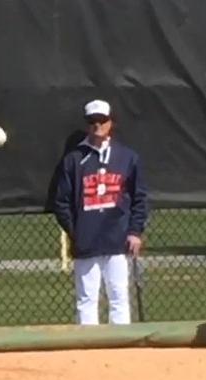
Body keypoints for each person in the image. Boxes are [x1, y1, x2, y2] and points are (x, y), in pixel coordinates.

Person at [53, 100, 148, 325]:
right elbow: (61, 201)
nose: (97, 125)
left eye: (102, 120)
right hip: (86, 242)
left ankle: (121, 344)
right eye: (92, 121)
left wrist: (134, 231)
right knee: (86, 299)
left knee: (119, 297)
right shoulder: (73, 160)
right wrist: (76, 231)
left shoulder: (127, 157)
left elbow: (139, 197)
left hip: (117, 240)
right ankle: (89, 345)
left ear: (111, 122)